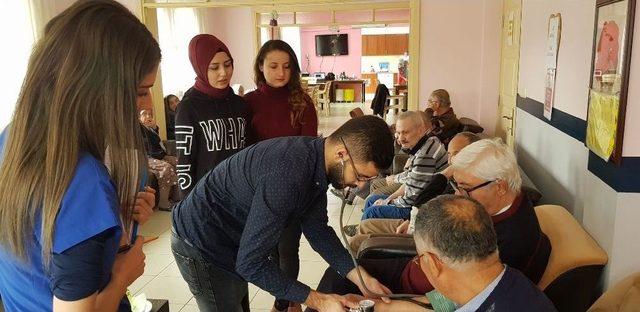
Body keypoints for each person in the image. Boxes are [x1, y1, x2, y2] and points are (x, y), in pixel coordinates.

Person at [0, 1, 157, 311]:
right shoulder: (83, 181)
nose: (147, 103)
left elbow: (46, 246)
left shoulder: (12, 138)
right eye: (140, 91)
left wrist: (113, 219)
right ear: (96, 90)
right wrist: (123, 276)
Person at [171, 116, 395, 312]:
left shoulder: (316, 162)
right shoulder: (288, 175)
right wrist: (319, 301)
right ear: (342, 154)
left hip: (231, 241)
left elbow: (318, 231)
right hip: (201, 243)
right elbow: (251, 264)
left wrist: (361, 278)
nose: (357, 185)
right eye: (360, 176)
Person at [316, 138, 551, 298]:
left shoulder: (511, 240)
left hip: (421, 289)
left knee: (341, 282)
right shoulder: (507, 200)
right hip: (419, 268)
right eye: (456, 185)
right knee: (340, 273)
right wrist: (448, 173)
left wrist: (390, 304)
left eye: (465, 188)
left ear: (499, 186)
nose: (459, 195)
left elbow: (458, 299)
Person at [370, 195, 557, 311]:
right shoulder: (502, 280)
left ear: (431, 264)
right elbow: (441, 303)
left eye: (419, 260)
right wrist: (376, 307)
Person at [244, 39, 318, 312]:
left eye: (287, 66)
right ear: (260, 66)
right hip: (257, 191)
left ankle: (285, 302)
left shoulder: (302, 102)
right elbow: (244, 151)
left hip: (293, 189)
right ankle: (288, 298)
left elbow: (309, 149)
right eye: (273, 66)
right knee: (269, 250)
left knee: (288, 249)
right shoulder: (248, 103)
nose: (281, 72)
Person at [347, 132, 480, 250]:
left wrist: (444, 175)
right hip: (418, 218)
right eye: (449, 154)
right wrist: (408, 218)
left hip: (426, 233)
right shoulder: (453, 176)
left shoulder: (469, 185)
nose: (451, 160)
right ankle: (360, 231)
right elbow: (419, 190)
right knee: (370, 210)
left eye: (457, 154)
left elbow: (426, 198)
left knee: (359, 238)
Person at [175, 34, 251, 197]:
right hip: (207, 198)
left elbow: (248, 150)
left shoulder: (240, 104)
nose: (223, 73)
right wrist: (189, 205)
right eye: (214, 67)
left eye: (228, 65)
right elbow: (184, 164)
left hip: (240, 194)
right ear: (200, 67)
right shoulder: (188, 107)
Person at [361, 111, 447, 220]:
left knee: (372, 211)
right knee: (371, 200)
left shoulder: (424, 156)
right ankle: (363, 230)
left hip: (422, 207)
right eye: (398, 133)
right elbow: (411, 181)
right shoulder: (430, 141)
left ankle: (363, 232)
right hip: (417, 198)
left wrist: (388, 202)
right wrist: (387, 200)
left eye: (405, 132)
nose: (401, 138)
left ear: (420, 130)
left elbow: (411, 199)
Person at [139, 109, 178, 211]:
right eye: (144, 114)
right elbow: (147, 147)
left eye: (150, 114)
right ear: (138, 117)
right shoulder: (138, 128)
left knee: (179, 163)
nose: (148, 116)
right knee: (166, 168)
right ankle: (163, 203)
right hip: (146, 157)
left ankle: (178, 197)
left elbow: (157, 144)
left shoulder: (151, 129)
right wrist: (146, 128)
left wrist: (154, 128)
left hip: (159, 155)